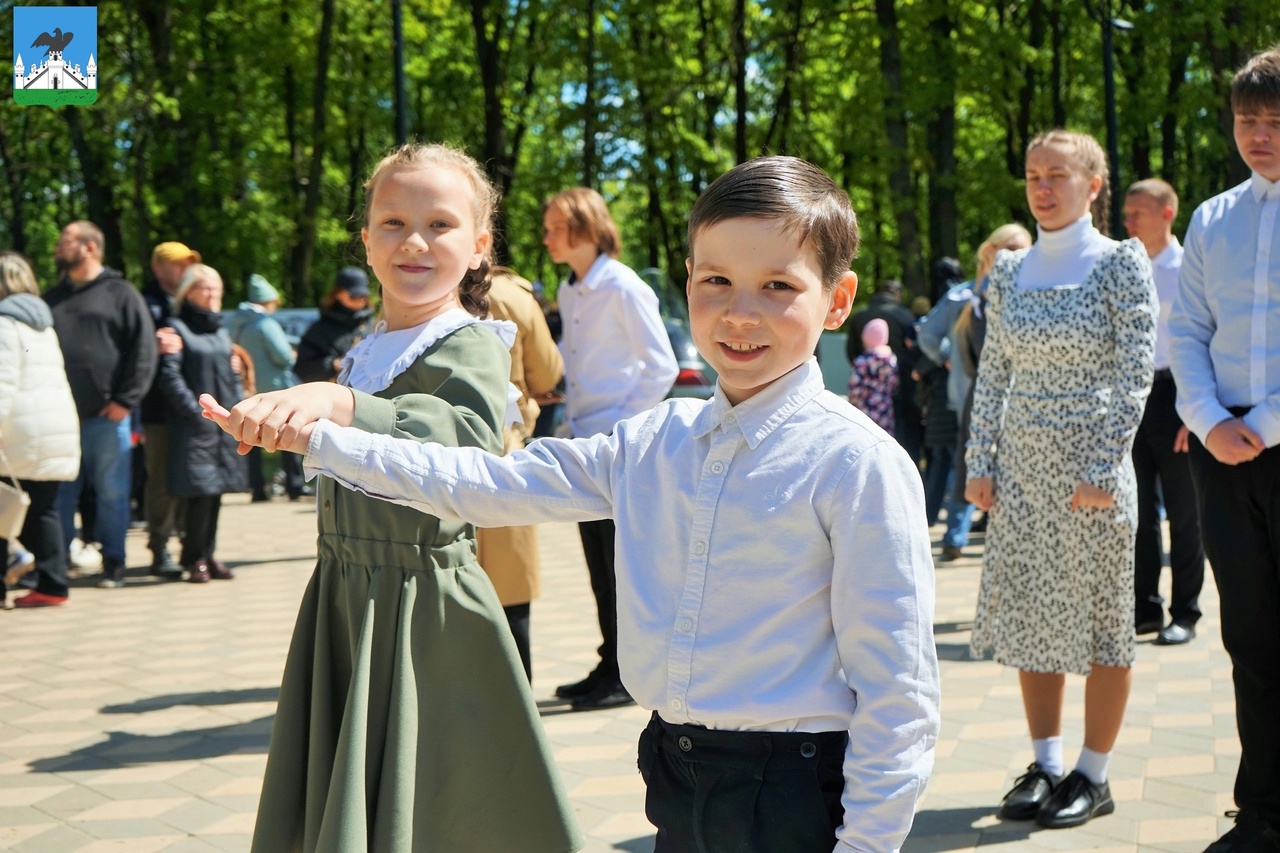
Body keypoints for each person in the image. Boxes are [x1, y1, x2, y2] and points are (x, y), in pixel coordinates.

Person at [205, 155, 940, 853]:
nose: (740, 312)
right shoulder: (654, 441)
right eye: (716, 279)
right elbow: (483, 485)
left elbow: (898, 694)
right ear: (687, 283)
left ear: (837, 300)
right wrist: (325, 440)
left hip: (796, 789)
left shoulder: (858, 464)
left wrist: (867, 842)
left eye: (778, 286)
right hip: (675, 769)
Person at [216, 144, 580, 851]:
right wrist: (278, 426)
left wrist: (343, 404)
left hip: (421, 602)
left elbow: (466, 443)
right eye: (392, 222)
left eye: (440, 224)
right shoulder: (372, 341)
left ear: (479, 248)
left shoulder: (472, 340)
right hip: (348, 589)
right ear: (366, 239)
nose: (414, 240)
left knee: (440, 800)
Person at [965, 129, 1157, 828]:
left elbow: (1137, 371)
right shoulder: (1010, 271)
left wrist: (1106, 465)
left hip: (1091, 466)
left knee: (1104, 621)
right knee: (1031, 615)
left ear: (1093, 184)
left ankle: (1093, 772)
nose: (1042, 187)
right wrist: (979, 461)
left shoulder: (1120, 263)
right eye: (1032, 175)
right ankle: (1044, 764)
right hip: (1022, 466)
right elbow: (996, 373)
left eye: (1058, 175)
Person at [1169, 46, 1280, 853]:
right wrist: (1208, 419)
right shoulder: (1212, 218)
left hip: (1272, 434)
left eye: (1276, 123)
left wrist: (1264, 426)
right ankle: (1264, 812)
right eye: (1248, 122)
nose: (1261, 137)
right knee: (1250, 633)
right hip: (1220, 446)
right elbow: (1188, 331)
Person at [542, 186, 678, 711]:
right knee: (599, 563)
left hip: (616, 446)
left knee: (621, 564)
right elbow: (577, 356)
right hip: (583, 442)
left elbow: (661, 365)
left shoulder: (623, 286)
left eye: (555, 226)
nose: (547, 236)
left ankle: (627, 673)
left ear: (585, 226)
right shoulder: (572, 288)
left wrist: (623, 427)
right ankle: (611, 662)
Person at [44, 221, 157, 589]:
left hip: (108, 418)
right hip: (59, 420)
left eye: (65, 242)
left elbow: (144, 349)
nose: (58, 248)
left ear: (89, 247)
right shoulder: (51, 299)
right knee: (59, 496)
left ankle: (114, 562)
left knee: (112, 493)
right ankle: (54, 566)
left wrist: (125, 401)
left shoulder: (120, 293)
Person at [1123, 179, 1206, 647]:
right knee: (1138, 513)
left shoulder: (1189, 267)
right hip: (1134, 394)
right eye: (1128, 212)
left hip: (1178, 393)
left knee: (1184, 511)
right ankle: (1146, 609)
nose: (1129, 221)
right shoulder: (1124, 267)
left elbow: (1203, 337)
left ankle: (1187, 611)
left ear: (1167, 214)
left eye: (1138, 212)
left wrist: (1192, 411)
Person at [477, 266, 565, 681]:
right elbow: (548, 373)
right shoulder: (514, 295)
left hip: (424, 445)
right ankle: (513, 703)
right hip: (501, 441)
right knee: (509, 587)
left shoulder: (419, 286)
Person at [924, 225, 1033, 560]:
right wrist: (948, 361)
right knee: (971, 462)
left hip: (1027, 395)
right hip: (980, 394)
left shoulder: (1035, 292)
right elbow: (928, 335)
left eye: (1025, 249)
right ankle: (956, 536)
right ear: (991, 251)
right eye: (1011, 248)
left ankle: (994, 540)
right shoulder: (965, 297)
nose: (1018, 256)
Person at [156, 265, 249, 583]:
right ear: (188, 292)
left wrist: (236, 411)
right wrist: (194, 413)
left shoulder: (221, 332)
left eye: (217, 288)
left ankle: (208, 554)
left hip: (221, 423)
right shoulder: (177, 328)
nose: (213, 294)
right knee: (197, 491)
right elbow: (170, 376)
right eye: (205, 288)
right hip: (194, 424)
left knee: (216, 492)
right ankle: (193, 557)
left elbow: (230, 375)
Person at [0, 252, 80, 608]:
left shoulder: (4, 323)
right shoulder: (41, 322)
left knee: (3, 510)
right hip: (53, 428)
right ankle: (52, 583)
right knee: (43, 510)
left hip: (19, 432)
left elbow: (2, 382)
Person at [139, 241, 202, 579]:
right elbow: (129, 349)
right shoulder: (144, 304)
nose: (184, 270)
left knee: (191, 479)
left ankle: (192, 549)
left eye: (188, 264)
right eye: (178, 264)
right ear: (159, 267)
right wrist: (153, 341)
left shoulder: (191, 303)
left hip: (191, 406)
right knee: (161, 480)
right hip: (159, 410)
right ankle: (159, 547)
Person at [227, 274, 307, 502]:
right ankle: (294, 485)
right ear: (268, 301)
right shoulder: (265, 324)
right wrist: (293, 355)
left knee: (249, 437)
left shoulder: (237, 324)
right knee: (284, 432)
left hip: (250, 389)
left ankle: (257, 489)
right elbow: (282, 356)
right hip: (275, 389)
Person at [846, 279, 923, 466]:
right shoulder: (904, 315)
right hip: (901, 386)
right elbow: (914, 349)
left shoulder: (859, 316)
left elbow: (850, 351)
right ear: (897, 294)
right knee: (902, 430)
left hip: (865, 396)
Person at [294, 267, 375, 383]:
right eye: (353, 296)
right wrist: (333, 365)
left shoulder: (374, 325)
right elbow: (301, 370)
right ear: (338, 293)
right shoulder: (319, 330)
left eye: (363, 297)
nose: (359, 301)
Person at [847, 318, 898, 431]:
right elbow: (894, 384)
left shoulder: (862, 361)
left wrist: (852, 403)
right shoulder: (891, 360)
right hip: (885, 408)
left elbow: (855, 388)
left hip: (864, 409)